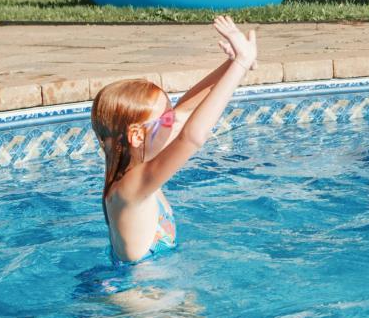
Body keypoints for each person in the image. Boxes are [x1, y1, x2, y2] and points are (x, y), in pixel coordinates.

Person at [90, 16, 257, 264]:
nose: (174, 122)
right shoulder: (130, 187)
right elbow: (192, 136)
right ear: (137, 135)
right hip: (139, 297)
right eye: (166, 120)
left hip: (148, 288)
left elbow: (185, 111)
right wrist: (241, 63)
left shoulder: (135, 163)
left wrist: (232, 64)